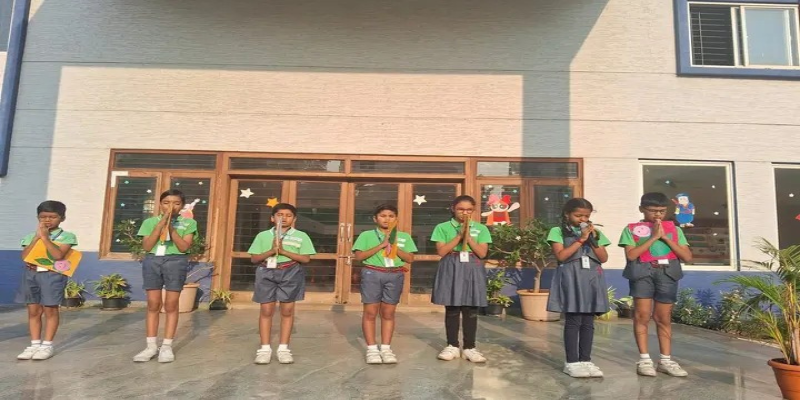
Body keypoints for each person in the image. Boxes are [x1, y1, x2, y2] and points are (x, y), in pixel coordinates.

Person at [619, 192, 693, 377]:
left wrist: (665, 237)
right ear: (642, 209)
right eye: (652, 211)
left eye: (662, 211)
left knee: (663, 317)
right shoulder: (631, 229)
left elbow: (687, 256)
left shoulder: (675, 230)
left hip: (667, 273)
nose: (658, 215)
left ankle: (665, 360)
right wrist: (653, 237)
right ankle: (644, 360)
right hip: (642, 273)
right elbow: (631, 255)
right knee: (642, 315)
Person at [546, 198, 610, 378]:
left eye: (586, 216)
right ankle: (572, 362)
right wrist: (581, 240)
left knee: (588, 322)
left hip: (591, 278)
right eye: (578, 215)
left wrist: (592, 239)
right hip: (571, 277)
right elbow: (561, 256)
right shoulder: (557, 231)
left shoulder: (595, 232)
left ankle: (585, 360)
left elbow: (603, 258)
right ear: (567, 214)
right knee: (574, 321)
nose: (583, 219)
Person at [133, 189, 198, 363]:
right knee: (153, 303)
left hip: (176, 260)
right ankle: (150, 346)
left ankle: (167, 346)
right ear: (160, 204)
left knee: (171, 303)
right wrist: (161, 224)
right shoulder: (150, 222)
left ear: (182, 206)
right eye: (166, 203)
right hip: (153, 259)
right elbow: (147, 246)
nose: (171, 206)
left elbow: (184, 247)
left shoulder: (188, 223)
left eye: (176, 203)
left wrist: (171, 228)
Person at [248, 203, 316, 365]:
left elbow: (306, 258)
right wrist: (272, 250)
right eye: (279, 215)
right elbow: (254, 258)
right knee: (266, 310)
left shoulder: (301, 236)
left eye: (288, 215)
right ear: (272, 218)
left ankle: (283, 349)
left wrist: (283, 251)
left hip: (290, 271)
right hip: (266, 271)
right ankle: (264, 349)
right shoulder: (263, 236)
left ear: (294, 219)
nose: (284, 218)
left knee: (287, 310)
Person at [352, 204, 417, 364]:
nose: (387, 219)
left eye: (391, 216)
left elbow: (410, 258)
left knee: (388, 313)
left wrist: (394, 246)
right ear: (375, 219)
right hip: (372, 273)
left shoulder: (404, 236)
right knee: (370, 312)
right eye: (383, 216)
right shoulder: (367, 235)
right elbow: (359, 257)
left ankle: (386, 348)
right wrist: (382, 245)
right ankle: (372, 349)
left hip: (394, 274)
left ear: (396, 219)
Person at [431, 195, 492, 363]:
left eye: (469, 210)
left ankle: (469, 347)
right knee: (452, 307)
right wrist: (459, 236)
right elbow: (441, 251)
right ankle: (452, 345)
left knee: (470, 307)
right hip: (451, 264)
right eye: (461, 209)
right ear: (453, 209)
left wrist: (468, 237)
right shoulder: (442, 227)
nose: (465, 213)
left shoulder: (480, 228)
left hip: (472, 265)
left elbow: (482, 253)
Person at [16, 201, 78, 361]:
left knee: (50, 309)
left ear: (62, 218)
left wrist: (44, 238)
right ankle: (35, 344)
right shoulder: (31, 236)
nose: (47, 220)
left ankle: (47, 345)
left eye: (52, 217)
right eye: (43, 217)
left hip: (52, 275)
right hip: (31, 275)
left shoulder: (67, 236)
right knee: (33, 310)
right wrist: (36, 238)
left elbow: (58, 255)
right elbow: (25, 257)